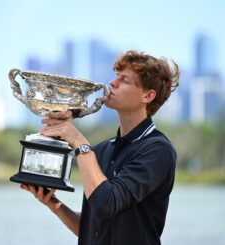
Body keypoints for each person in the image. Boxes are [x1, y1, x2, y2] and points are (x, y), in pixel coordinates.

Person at [21, 50, 180, 245]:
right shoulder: (102, 150)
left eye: (125, 80)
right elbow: (90, 229)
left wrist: (80, 143)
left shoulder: (158, 150)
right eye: (116, 76)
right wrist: (55, 205)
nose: (113, 83)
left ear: (148, 95)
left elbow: (107, 203)